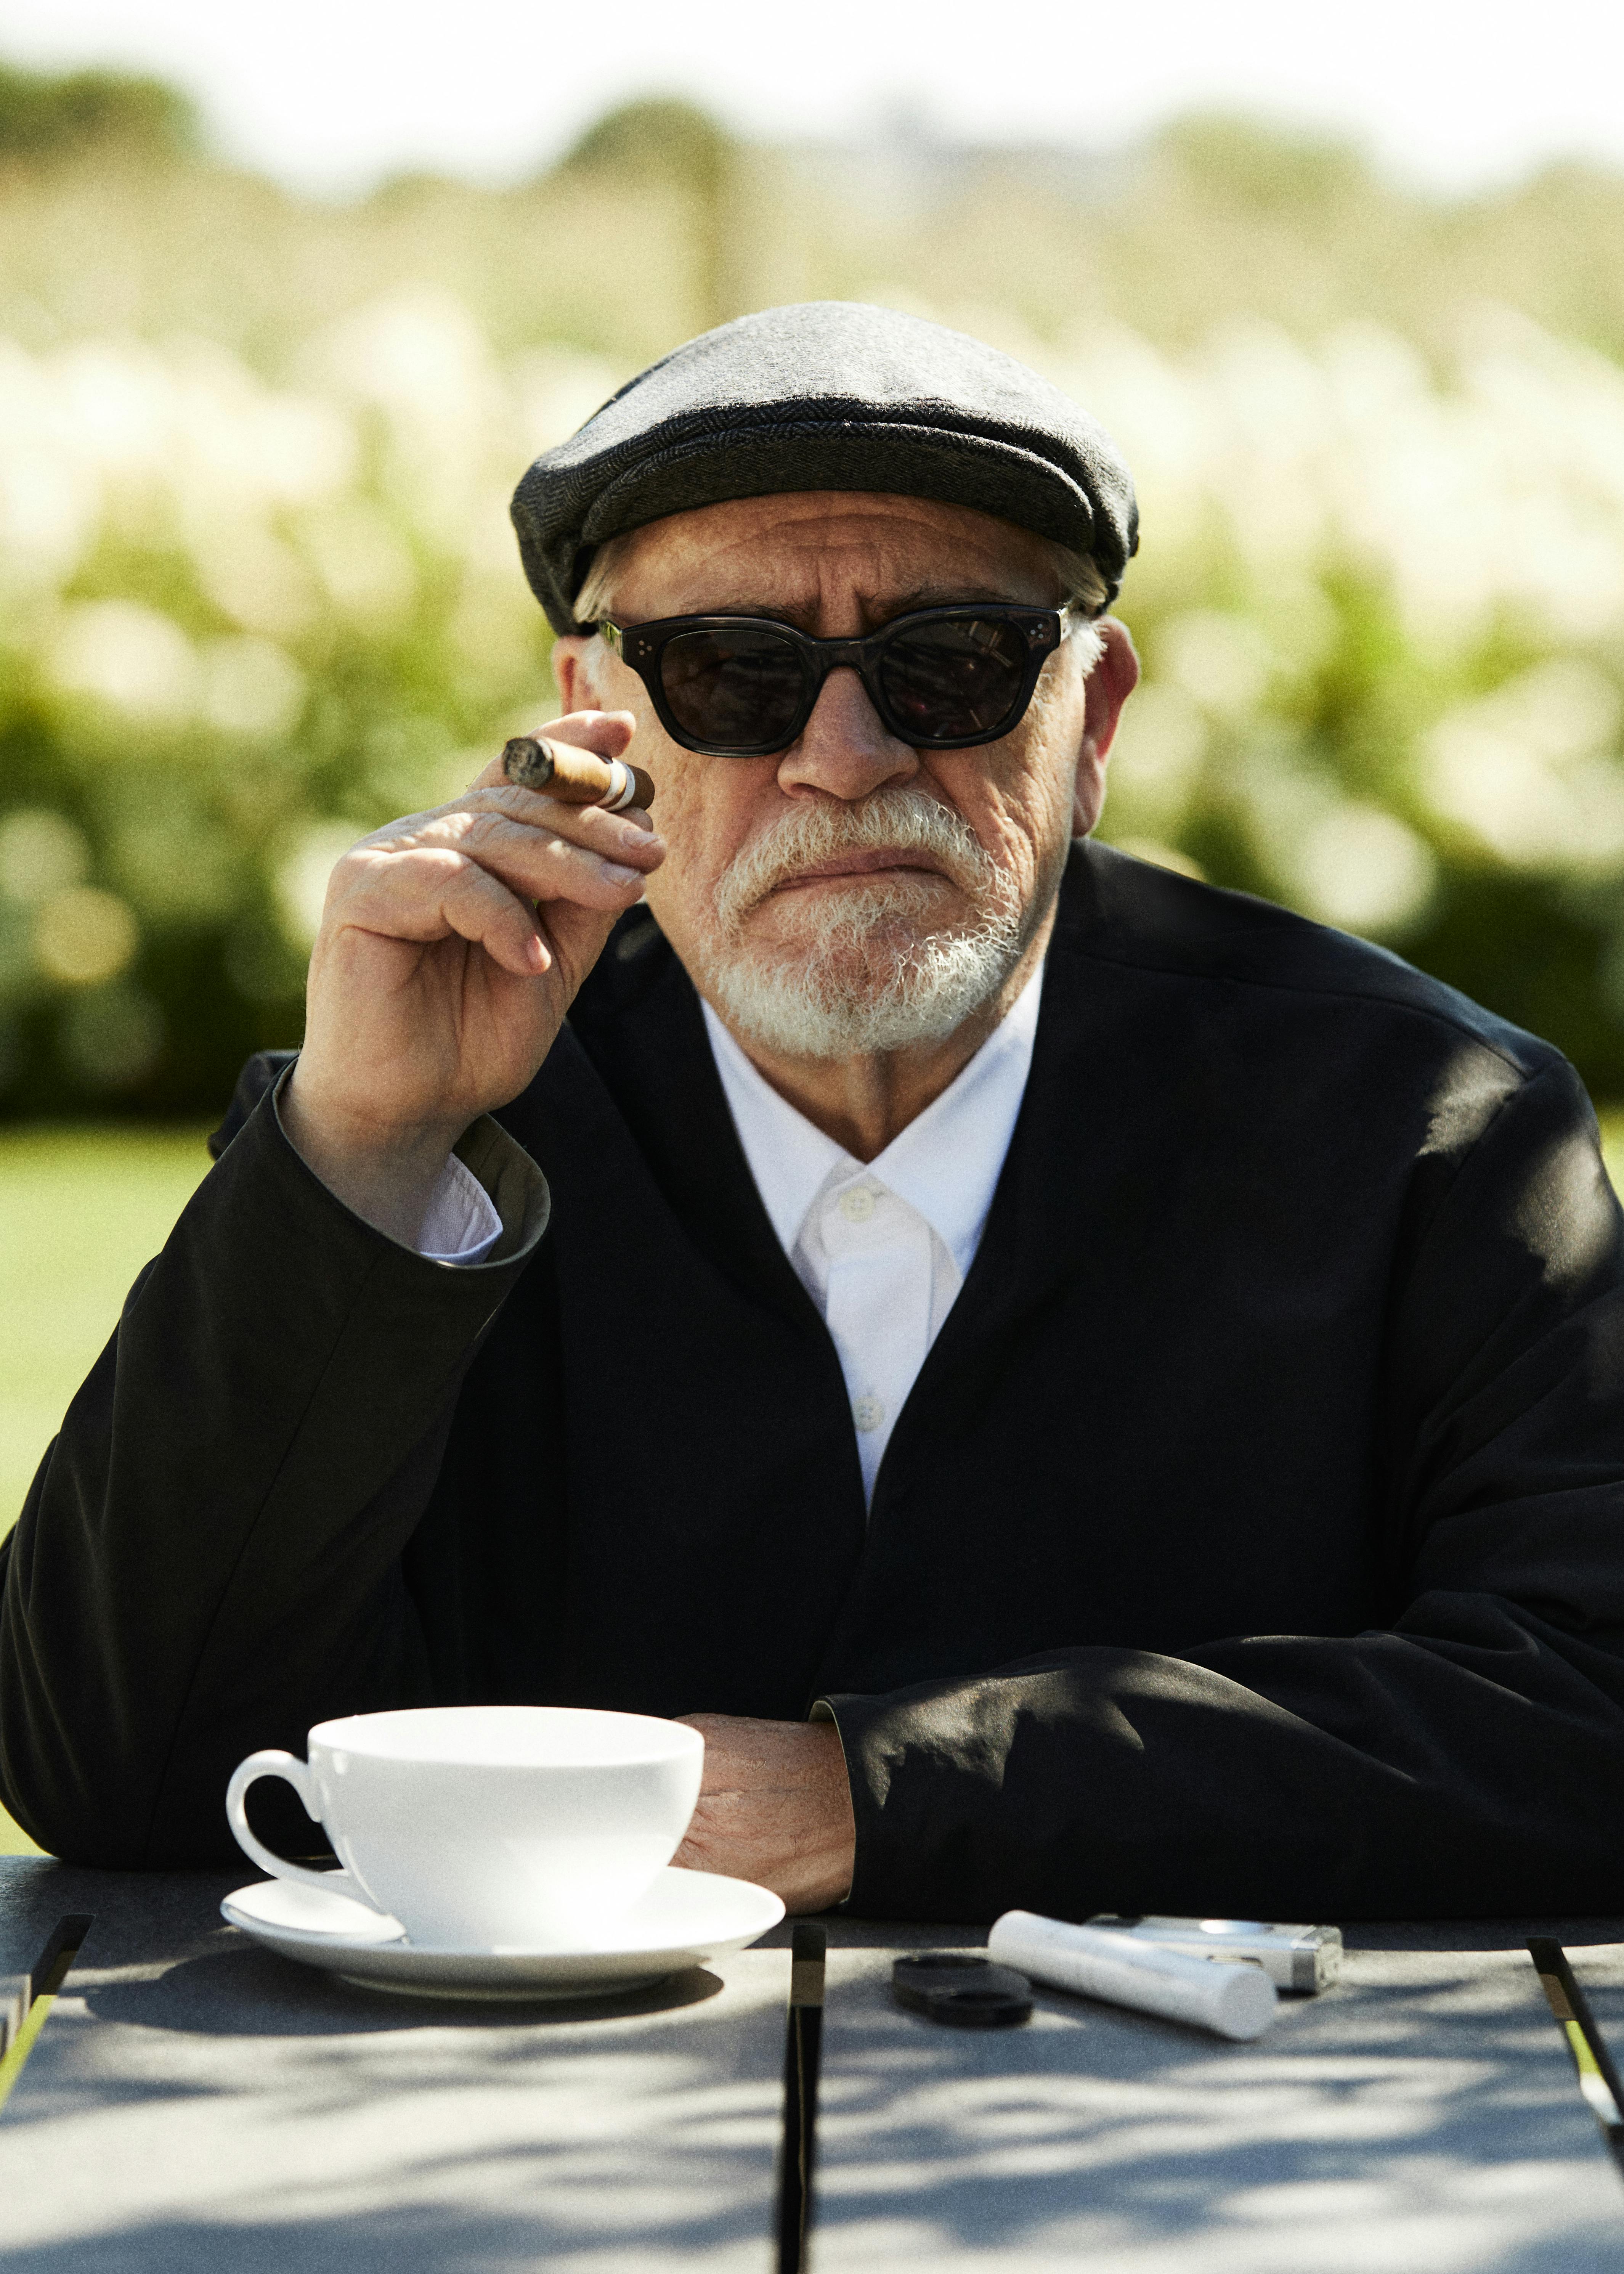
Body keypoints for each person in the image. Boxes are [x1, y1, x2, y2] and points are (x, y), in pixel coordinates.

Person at [5, 301, 1624, 1922]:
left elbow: (1590, 1713)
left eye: (952, 663)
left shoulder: (1427, 1129)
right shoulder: (431, 1124)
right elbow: (117, 1772)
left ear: (1096, 716)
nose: (845, 758)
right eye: (732, 674)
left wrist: (872, 1798)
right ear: (598, 726)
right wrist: (360, 1150)